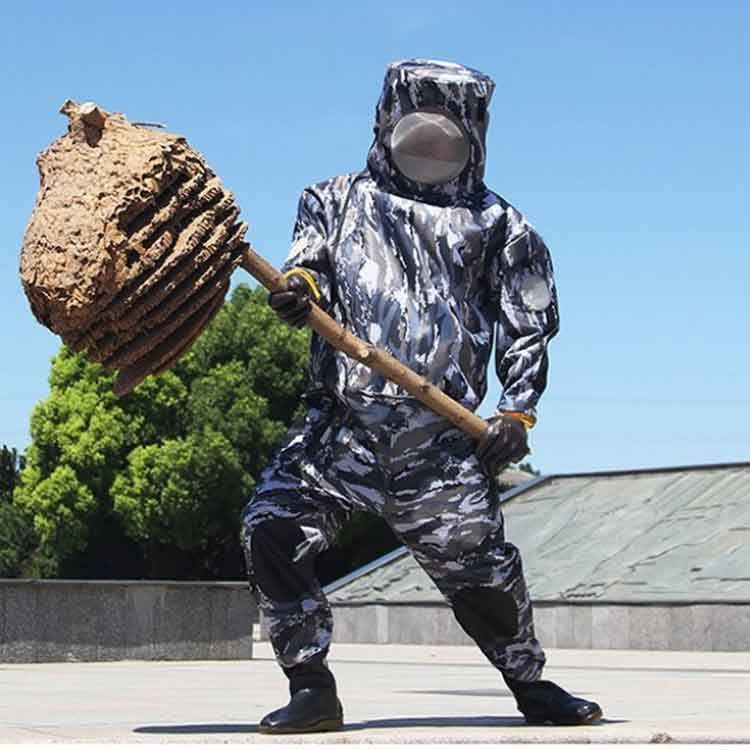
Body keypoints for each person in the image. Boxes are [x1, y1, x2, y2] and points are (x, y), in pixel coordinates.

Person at [241, 59, 602, 734]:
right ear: (386, 122)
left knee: (483, 571)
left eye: (448, 135)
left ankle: (530, 684)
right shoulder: (332, 200)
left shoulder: (501, 226)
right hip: (339, 430)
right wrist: (301, 293)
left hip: (438, 444)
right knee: (272, 527)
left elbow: (527, 325)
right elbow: (309, 267)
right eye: (416, 129)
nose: (431, 145)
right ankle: (311, 686)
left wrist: (517, 412)